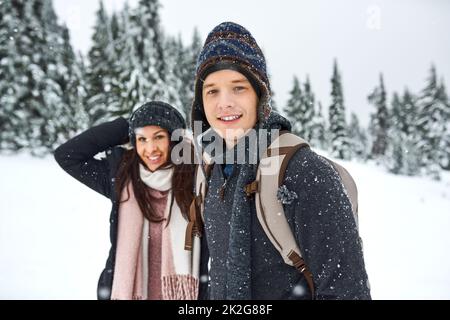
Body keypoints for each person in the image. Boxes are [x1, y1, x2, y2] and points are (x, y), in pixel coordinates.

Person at [191, 22, 371, 300]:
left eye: (238, 88)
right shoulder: (214, 171)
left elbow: (347, 292)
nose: (224, 103)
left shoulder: (304, 171)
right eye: (212, 90)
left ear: (260, 96)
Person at [54, 101, 199, 300]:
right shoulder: (120, 178)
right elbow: (67, 156)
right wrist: (127, 126)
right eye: (142, 139)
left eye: (158, 137)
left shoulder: (197, 181)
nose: (151, 149)